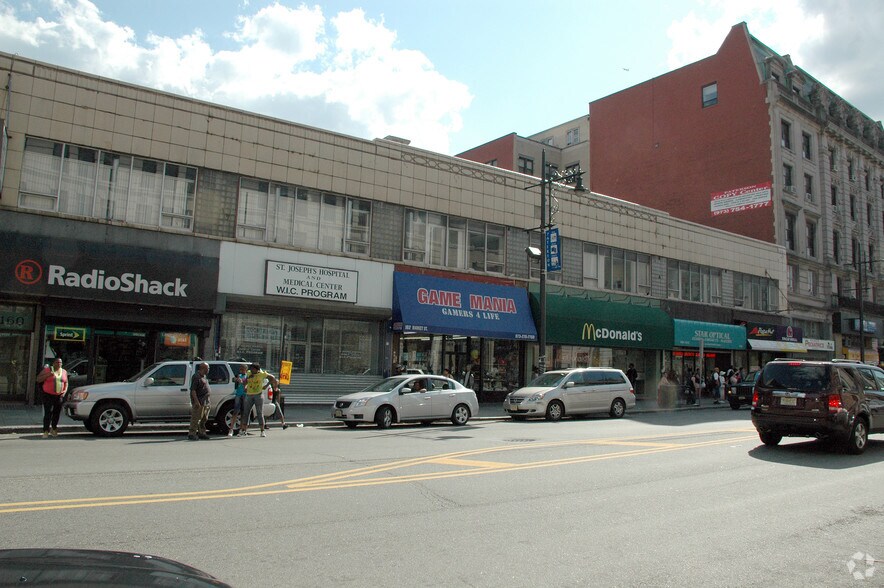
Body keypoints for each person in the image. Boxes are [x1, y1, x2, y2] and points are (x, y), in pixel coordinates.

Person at [241, 363, 278, 438]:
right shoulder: (249, 373)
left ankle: (262, 430)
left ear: (256, 369)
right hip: (249, 394)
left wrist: (266, 385)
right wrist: (246, 384)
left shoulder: (262, 374)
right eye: (251, 369)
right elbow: (244, 382)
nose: (251, 370)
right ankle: (244, 430)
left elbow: (273, 378)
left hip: (258, 394)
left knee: (259, 412)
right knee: (246, 412)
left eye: (253, 369)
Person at [36, 358, 68, 438]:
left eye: (60, 362)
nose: (59, 364)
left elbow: (66, 382)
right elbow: (38, 379)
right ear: (53, 363)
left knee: (56, 413)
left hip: (59, 395)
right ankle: (46, 430)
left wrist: (64, 392)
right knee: (48, 413)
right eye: (57, 362)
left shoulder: (64, 371)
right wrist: (48, 375)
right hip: (48, 395)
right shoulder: (48, 370)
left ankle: (54, 428)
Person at [188, 362, 211, 440]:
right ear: (203, 368)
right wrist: (196, 401)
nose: (209, 370)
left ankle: (202, 433)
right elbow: (193, 390)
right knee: (196, 418)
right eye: (208, 368)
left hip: (205, 401)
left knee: (204, 418)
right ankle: (192, 433)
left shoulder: (204, 376)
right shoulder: (196, 377)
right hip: (199, 401)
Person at [227, 364, 248, 437]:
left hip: (245, 395)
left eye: (243, 369)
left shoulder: (247, 376)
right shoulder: (238, 375)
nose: (241, 370)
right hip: (238, 394)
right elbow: (233, 379)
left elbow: (247, 384)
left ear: (246, 369)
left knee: (244, 412)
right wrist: (236, 379)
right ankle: (231, 429)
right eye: (240, 369)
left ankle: (242, 429)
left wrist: (242, 382)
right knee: (235, 411)